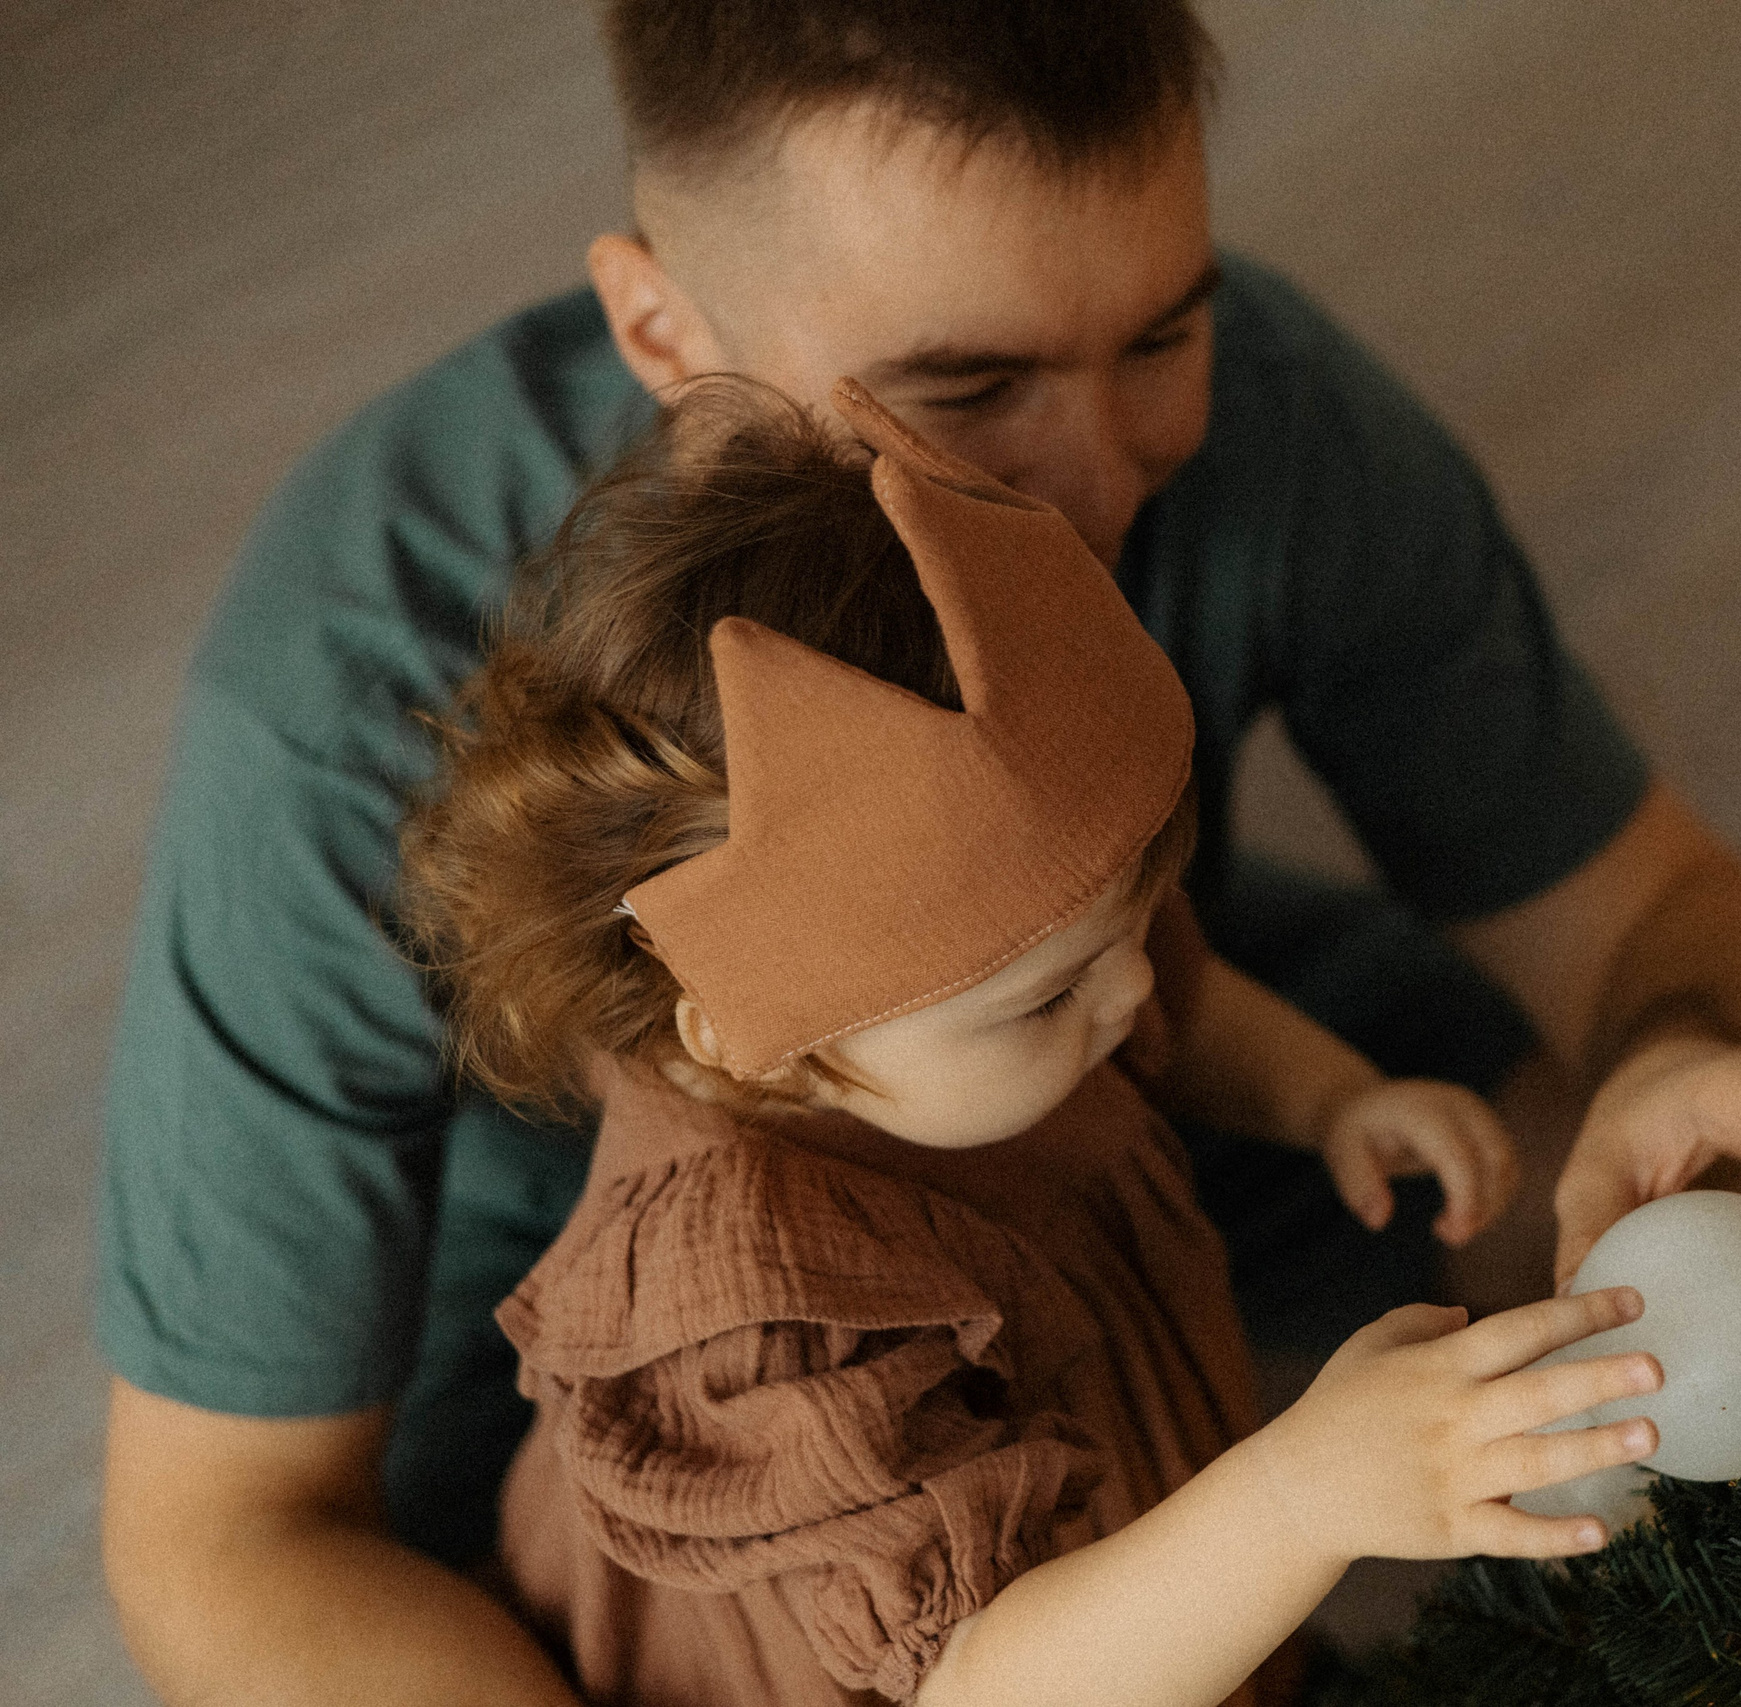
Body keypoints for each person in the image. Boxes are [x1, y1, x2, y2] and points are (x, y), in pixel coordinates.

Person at [97, 4, 1741, 1701]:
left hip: (1073, 1054)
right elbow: (223, 1537)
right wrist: (1282, 1511)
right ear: (667, 332)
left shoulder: (1141, 859)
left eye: (1165, 330)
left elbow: (1650, 914)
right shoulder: (358, 676)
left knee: (1738, 1194)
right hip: (666, 1390)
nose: (1093, 484)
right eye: (966, 390)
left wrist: (1679, 1067)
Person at [404, 374, 1653, 1707]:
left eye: (1138, 911)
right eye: (1051, 998)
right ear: (747, 1050)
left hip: (1124, 1583)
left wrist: (1325, 1095)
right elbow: (987, 1680)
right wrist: (1295, 1500)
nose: (1124, 997)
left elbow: (1173, 985)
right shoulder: (763, 1322)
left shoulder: (987, 981)